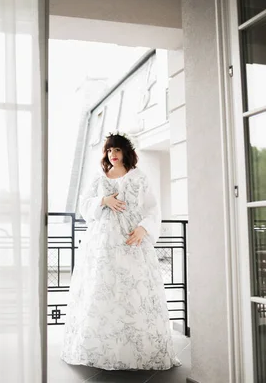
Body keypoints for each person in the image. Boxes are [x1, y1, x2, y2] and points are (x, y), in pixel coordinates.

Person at [60, 131, 181, 370]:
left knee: (133, 291)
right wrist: (103, 201)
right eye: (109, 150)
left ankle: (135, 349)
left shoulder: (139, 178)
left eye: (117, 150)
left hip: (131, 243)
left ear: (126, 152)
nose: (112, 154)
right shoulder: (99, 177)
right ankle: (101, 348)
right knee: (102, 289)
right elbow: (84, 205)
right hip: (102, 246)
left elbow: (152, 208)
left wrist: (143, 229)